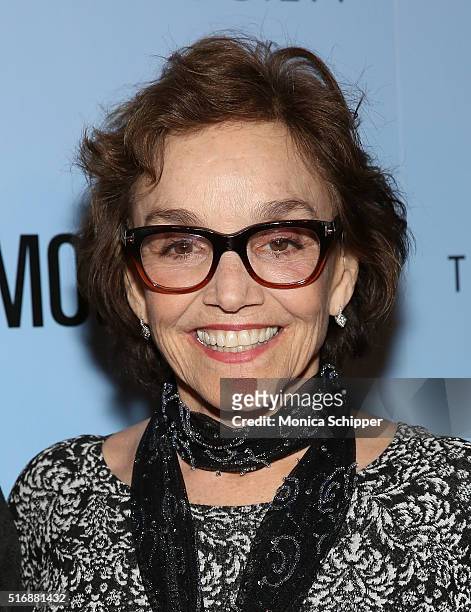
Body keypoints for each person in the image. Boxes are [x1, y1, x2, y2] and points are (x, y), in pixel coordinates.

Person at [8, 33, 471, 611]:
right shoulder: (51, 502)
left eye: (280, 242)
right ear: (134, 288)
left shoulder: (454, 502)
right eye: (180, 245)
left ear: (343, 277)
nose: (230, 293)